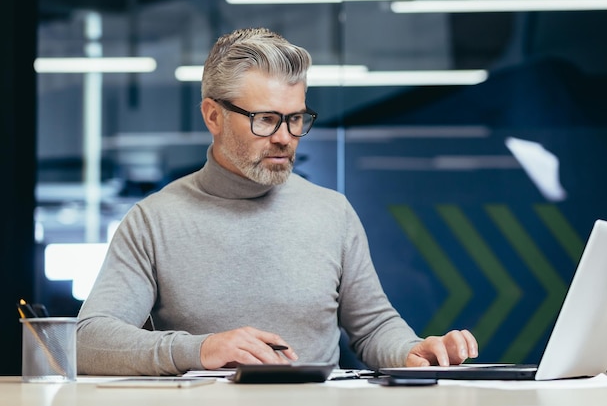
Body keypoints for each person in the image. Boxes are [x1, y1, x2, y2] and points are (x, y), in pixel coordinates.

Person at [76, 27, 478, 375]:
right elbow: (86, 340)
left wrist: (411, 351)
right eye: (266, 119)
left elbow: (373, 329)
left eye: (296, 118)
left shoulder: (331, 212)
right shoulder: (154, 220)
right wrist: (199, 350)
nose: (285, 137)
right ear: (213, 116)